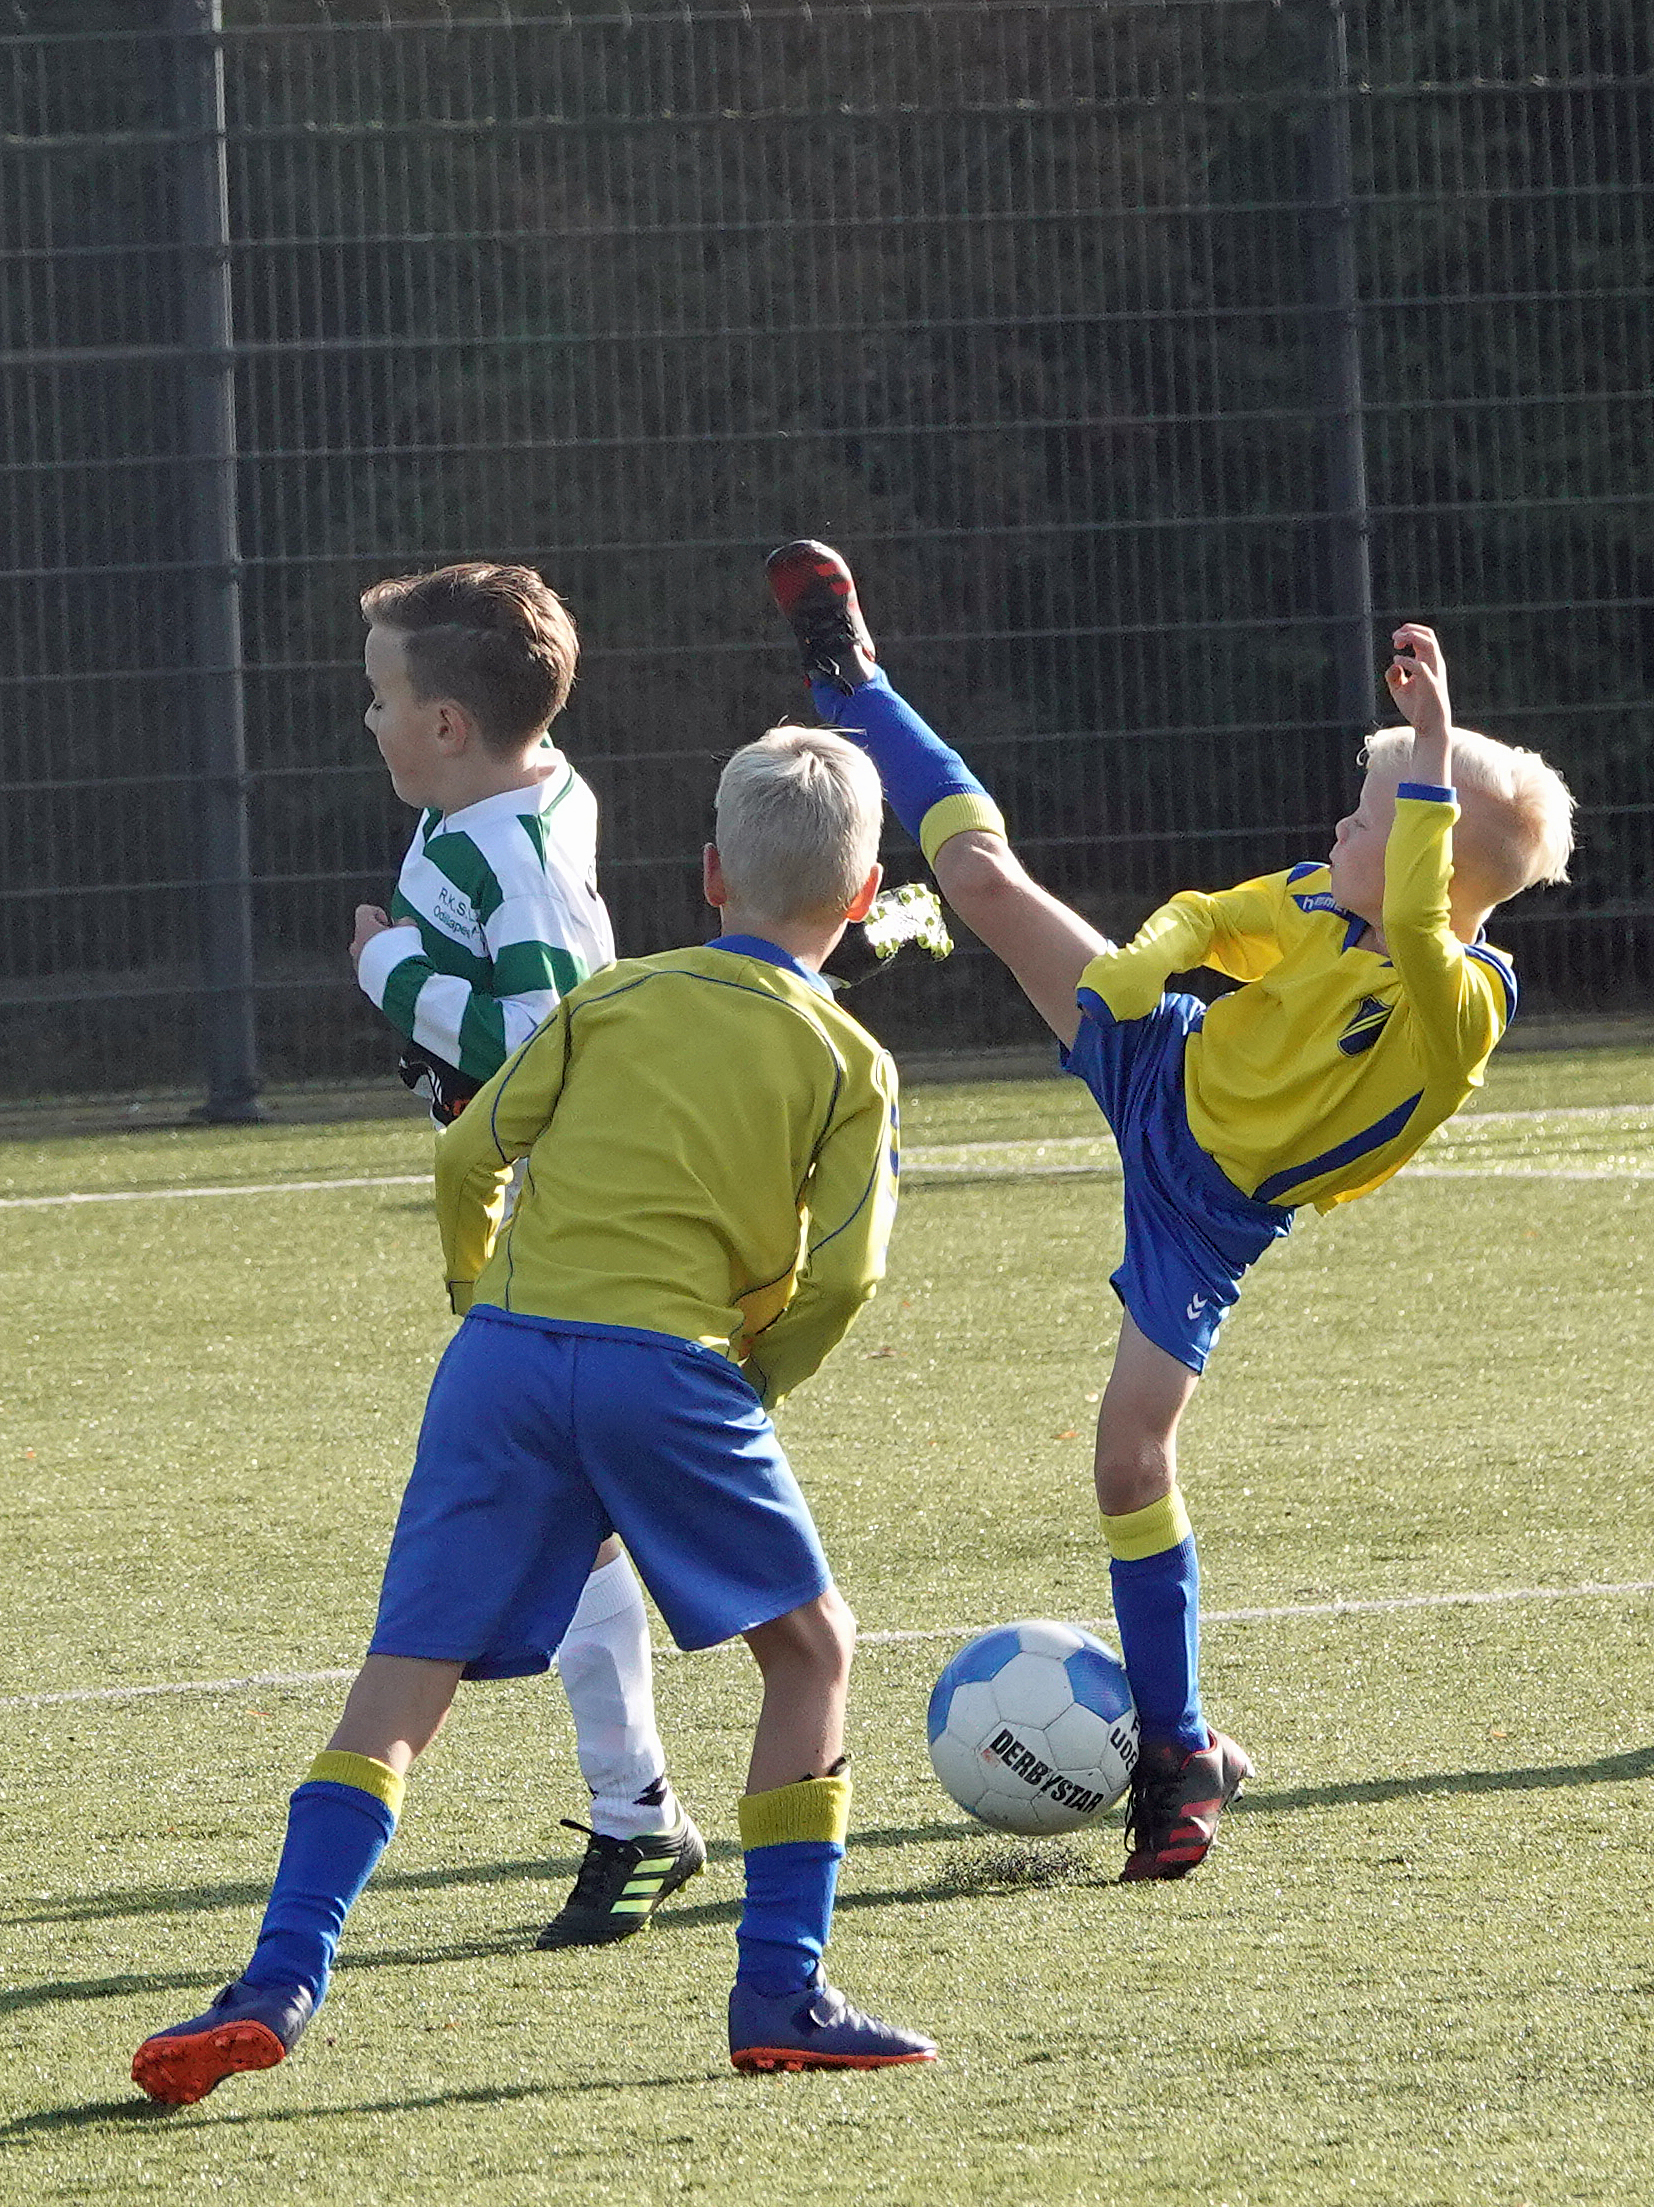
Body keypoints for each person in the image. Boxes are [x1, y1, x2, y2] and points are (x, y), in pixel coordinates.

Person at [131, 723, 937, 2103]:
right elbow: (848, 1275)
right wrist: (751, 1384)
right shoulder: (850, 1060)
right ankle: (780, 1989)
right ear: (863, 901)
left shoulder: (611, 999)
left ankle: (276, 1977)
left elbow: (468, 1154)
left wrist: (479, 1295)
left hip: (500, 1360)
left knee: (401, 1684)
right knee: (811, 1652)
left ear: (707, 877)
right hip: (668, 1367)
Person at [766, 539, 1575, 1885]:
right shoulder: (1324, 898)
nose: (1339, 829)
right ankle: (858, 681)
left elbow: (1424, 934)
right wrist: (1136, 972)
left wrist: (1429, 748)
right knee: (981, 885)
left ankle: (1178, 1752)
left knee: (1126, 1457)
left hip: (1209, 1217)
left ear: (1431, 857)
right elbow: (1208, 919)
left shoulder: (1463, 999)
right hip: (1160, 1064)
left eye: (1366, 817)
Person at [349, 560, 701, 1950]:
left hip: (570, 1212)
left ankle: (639, 1812)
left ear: (446, 723)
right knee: (584, 1513)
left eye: (379, 696)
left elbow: (536, 1039)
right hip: (535, 1200)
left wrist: (384, 969)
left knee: (577, 1511)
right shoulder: (510, 798)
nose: (362, 719)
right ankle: (636, 1810)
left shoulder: (509, 846)